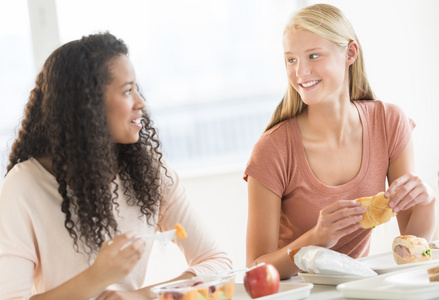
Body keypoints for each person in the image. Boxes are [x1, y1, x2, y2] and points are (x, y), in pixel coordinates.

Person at [0, 32, 232, 299]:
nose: (141, 102)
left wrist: (140, 296)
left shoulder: (147, 170)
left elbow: (217, 262)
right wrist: (97, 277)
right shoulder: (24, 186)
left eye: (136, 88)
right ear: (88, 107)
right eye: (126, 91)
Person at [244, 3, 436, 279]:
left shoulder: (388, 122)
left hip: (361, 288)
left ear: (350, 53)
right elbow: (256, 268)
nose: (300, 72)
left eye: (313, 55)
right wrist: (318, 237)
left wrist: (427, 200)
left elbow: (411, 243)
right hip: (296, 292)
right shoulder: (272, 149)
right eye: (291, 60)